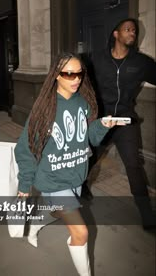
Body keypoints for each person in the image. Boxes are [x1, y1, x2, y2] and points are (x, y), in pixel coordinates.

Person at [14, 53, 123, 275]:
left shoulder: (82, 102)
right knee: (80, 232)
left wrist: (103, 124)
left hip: (76, 175)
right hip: (53, 179)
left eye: (79, 73)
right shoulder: (44, 108)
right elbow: (25, 148)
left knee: (55, 213)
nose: (76, 79)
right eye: (69, 74)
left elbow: (89, 138)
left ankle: (34, 226)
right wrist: (25, 184)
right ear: (56, 75)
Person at [83, 18, 156, 230]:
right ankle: (81, 188)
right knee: (89, 156)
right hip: (101, 120)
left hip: (126, 121)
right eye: (127, 29)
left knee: (134, 165)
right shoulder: (97, 58)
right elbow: (80, 78)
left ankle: (146, 214)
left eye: (134, 30)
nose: (132, 32)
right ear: (116, 34)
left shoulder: (141, 63)